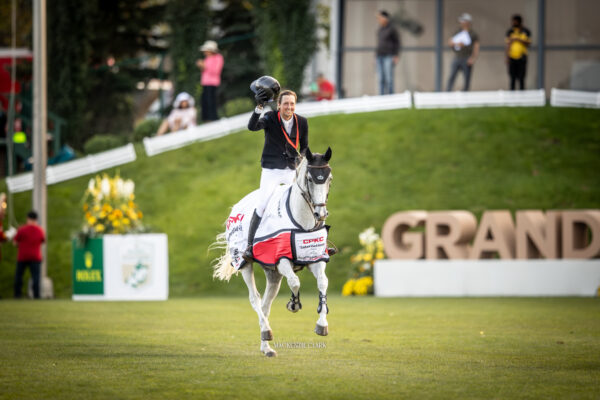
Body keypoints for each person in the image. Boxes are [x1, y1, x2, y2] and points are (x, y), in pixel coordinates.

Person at [244, 78, 308, 261]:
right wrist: (259, 107)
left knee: (302, 203)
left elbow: (304, 146)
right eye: (286, 103)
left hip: (290, 170)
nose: (289, 107)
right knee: (263, 205)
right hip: (271, 170)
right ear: (278, 105)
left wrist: (300, 157)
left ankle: (310, 244)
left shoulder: (302, 122)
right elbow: (252, 127)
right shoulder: (270, 118)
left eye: (292, 104)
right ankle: (250, 246)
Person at [13, 210, 46, 299]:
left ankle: (17, 294)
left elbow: (15, 243)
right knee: (36, 277)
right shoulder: (40, 230)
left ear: (28, 218)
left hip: (23, 256)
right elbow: (43, 241)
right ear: (36, 219)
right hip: (35, 256)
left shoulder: (22, 229)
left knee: (19, 276)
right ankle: (36, 295)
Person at [446, 13, 480, 92]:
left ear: (468, 22)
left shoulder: (473, 34)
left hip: (467, 57)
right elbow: (450, 42)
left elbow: (476, 47)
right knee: (452, 75)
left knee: (467, 78)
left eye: (464, 21)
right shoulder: (458, 32)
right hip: (457, 57)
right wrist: (457, 44)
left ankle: (465, 93)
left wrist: (473, 58)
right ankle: (448, 92)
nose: (462, 23)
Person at [196, 40, 224, 122]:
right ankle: (206, 119)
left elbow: (215, 71)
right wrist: (201, 66)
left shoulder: (218, 58)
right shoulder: (207, 58)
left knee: (211, 101)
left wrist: (204, 65)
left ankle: (213, 118)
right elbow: (204, 71)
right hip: (205, 83)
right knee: (204, 101)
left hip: (213, 83)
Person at [376, 10, 400, 95]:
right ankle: (381, 97)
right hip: (380, 56)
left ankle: (391, 97)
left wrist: (396, 55)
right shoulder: (380, 29)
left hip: (388, 56)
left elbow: (397, 42)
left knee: (389, 78)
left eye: (380, 18)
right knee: (381, 79)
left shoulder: (392, 29)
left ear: (385, 18)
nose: (378, 20)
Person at [506, 14, 532, 91]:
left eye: (515, 21)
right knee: (512, 77)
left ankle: (522, 96)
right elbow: (507, 44)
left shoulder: (525, 31)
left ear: (519, 22)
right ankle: (512, 96)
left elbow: (528, 43)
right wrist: (507, 57)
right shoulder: (510, 31)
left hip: (522, 57)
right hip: (512, 57)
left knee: (521, 77)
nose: (513, 23)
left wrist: (518, 39)